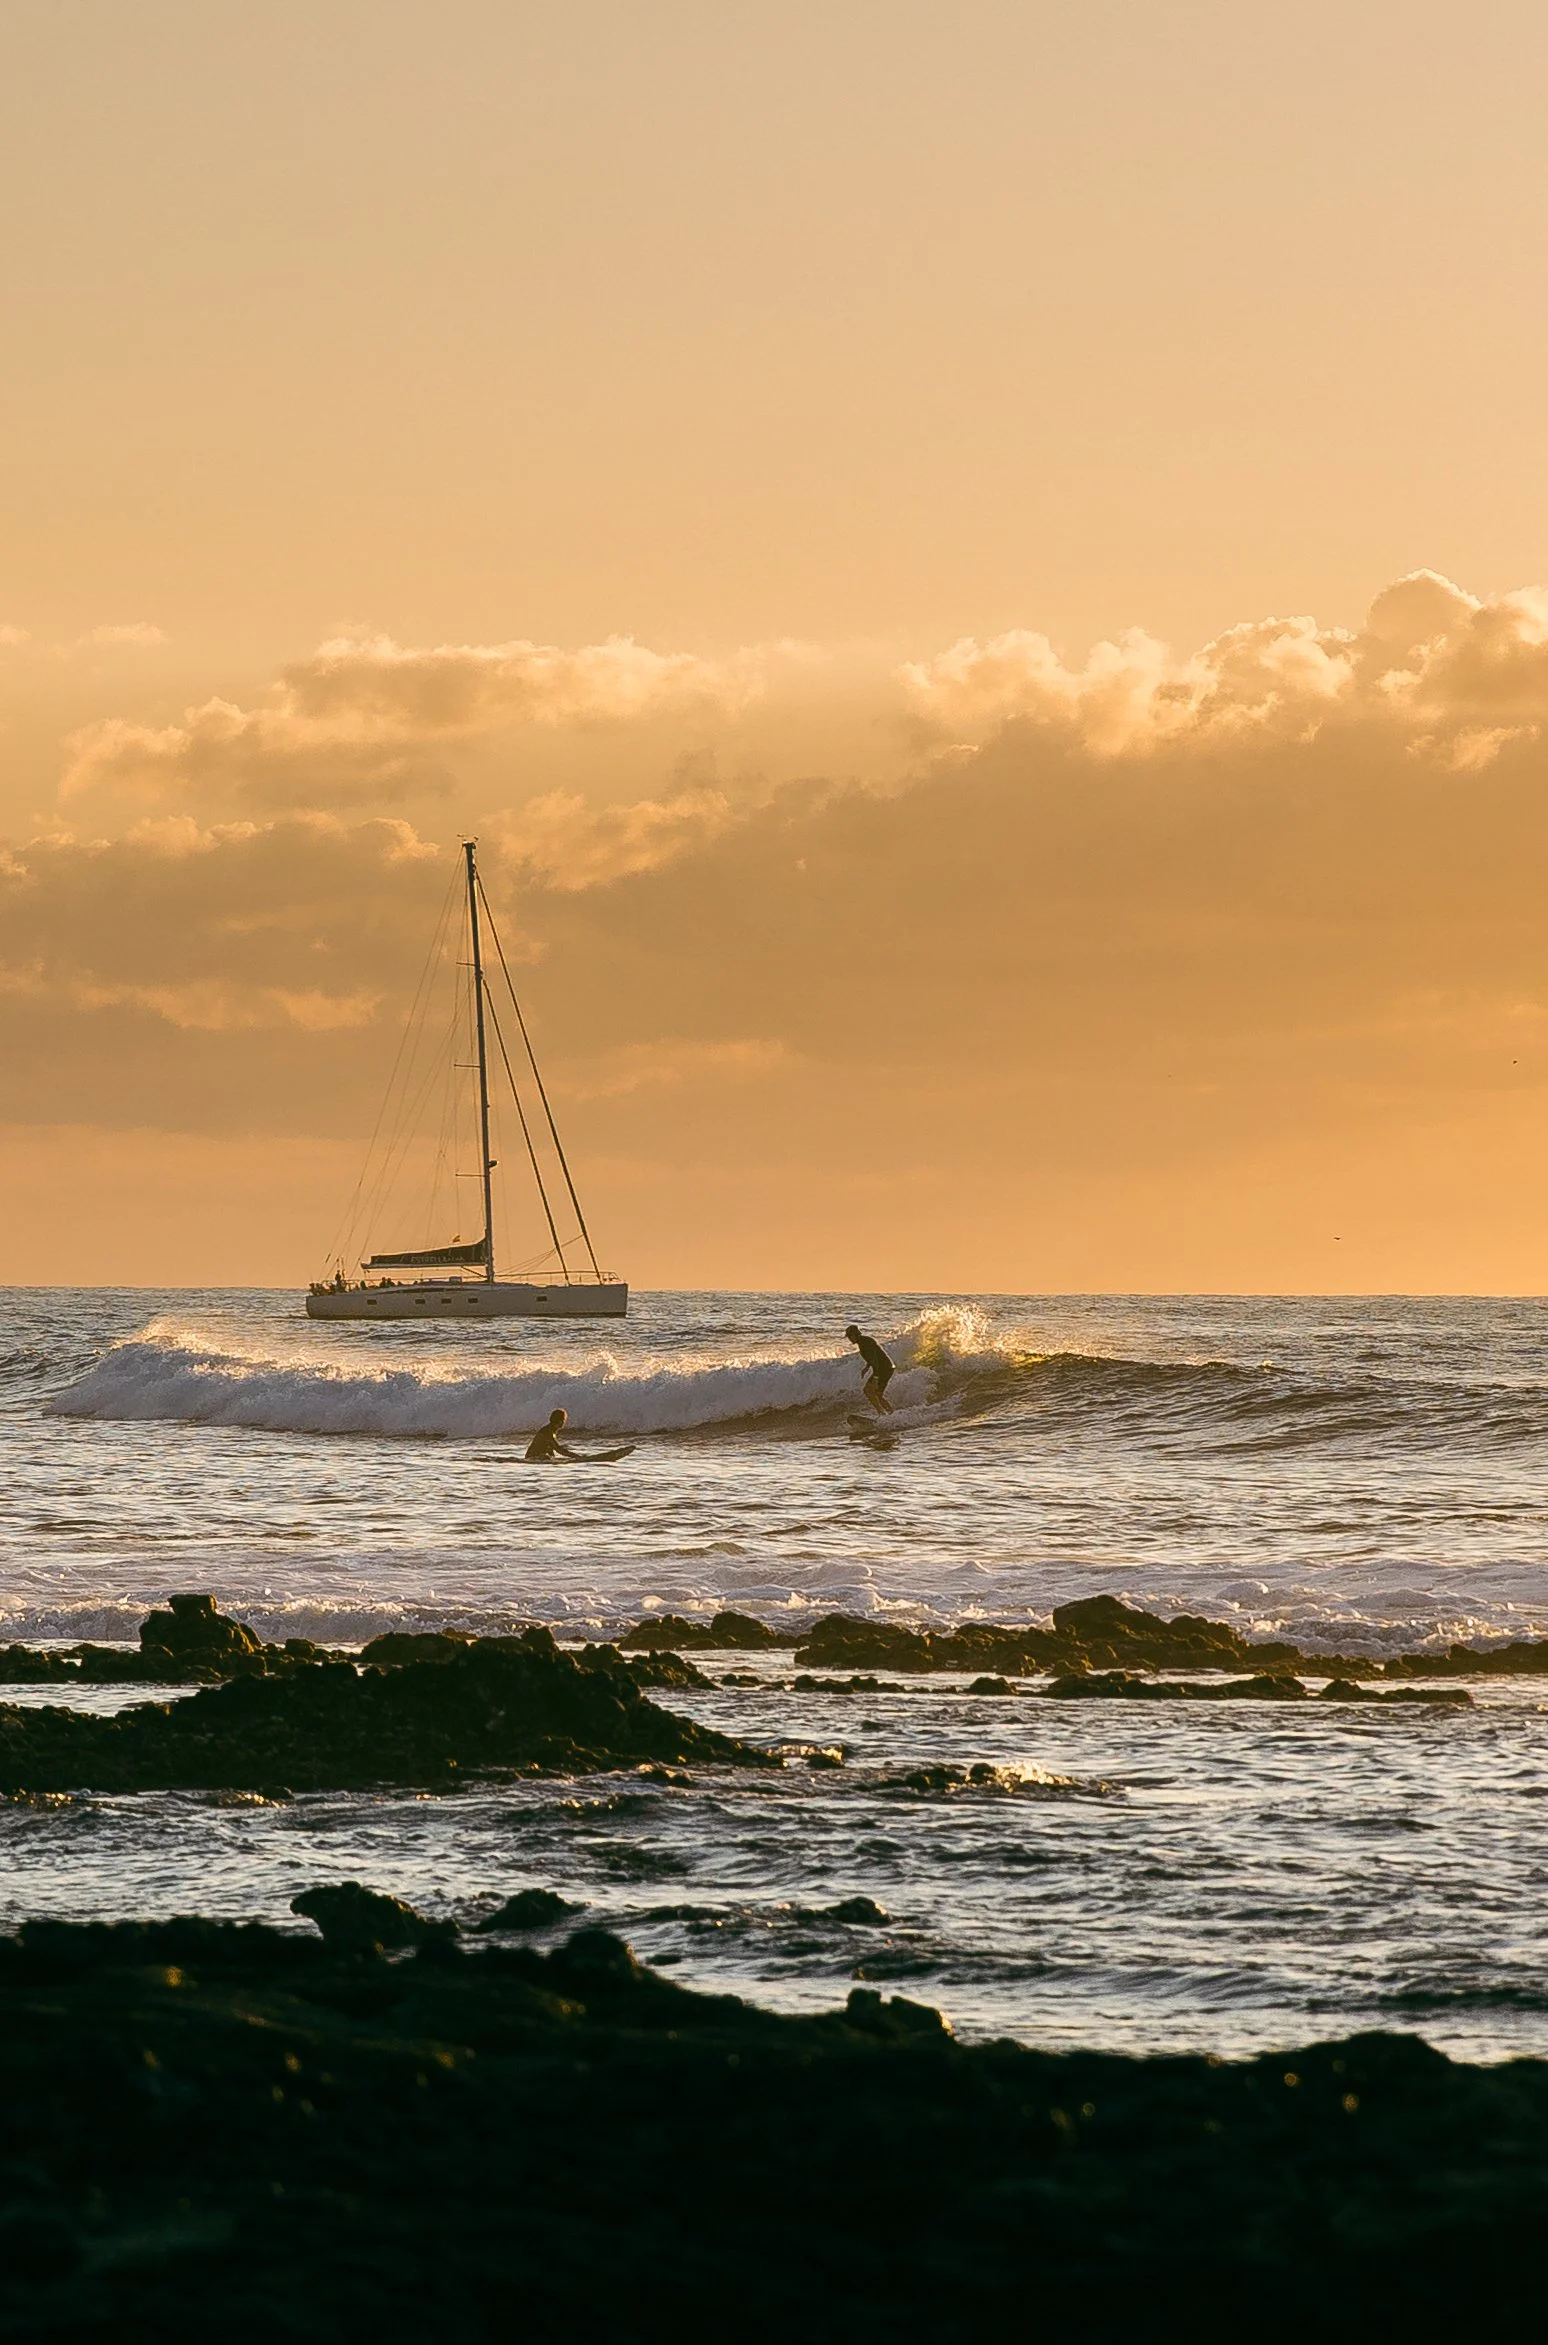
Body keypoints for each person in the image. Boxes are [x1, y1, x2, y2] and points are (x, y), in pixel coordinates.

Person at [844, 1324, 896, 1414]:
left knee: (869, 1391)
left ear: (854, 1334)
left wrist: (876, 1378)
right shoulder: (863, 1341)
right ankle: (890, 1413)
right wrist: (867, 1367)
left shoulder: (865, 1343)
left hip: (884, 1369)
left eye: (849, 1336)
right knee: (876, 1394)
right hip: (885, 1368)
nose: (849, 1339)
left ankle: (882, 1413)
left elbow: (875, 1359)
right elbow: (873, 1357)